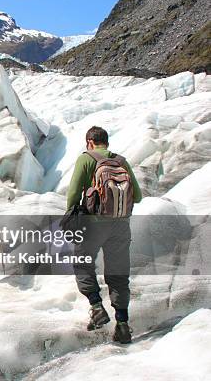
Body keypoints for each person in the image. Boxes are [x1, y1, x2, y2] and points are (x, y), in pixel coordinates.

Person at [66, 126, 142, 344]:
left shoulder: (86, 159)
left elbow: (73, 192)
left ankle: (97, 307)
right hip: (120, 226)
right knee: (118, 274)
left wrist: (71, 214)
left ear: (90, 142)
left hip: (93, 225)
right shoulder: (121, 161)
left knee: (82, 263)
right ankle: (123, 324)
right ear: (106, 142)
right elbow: (136, 195)